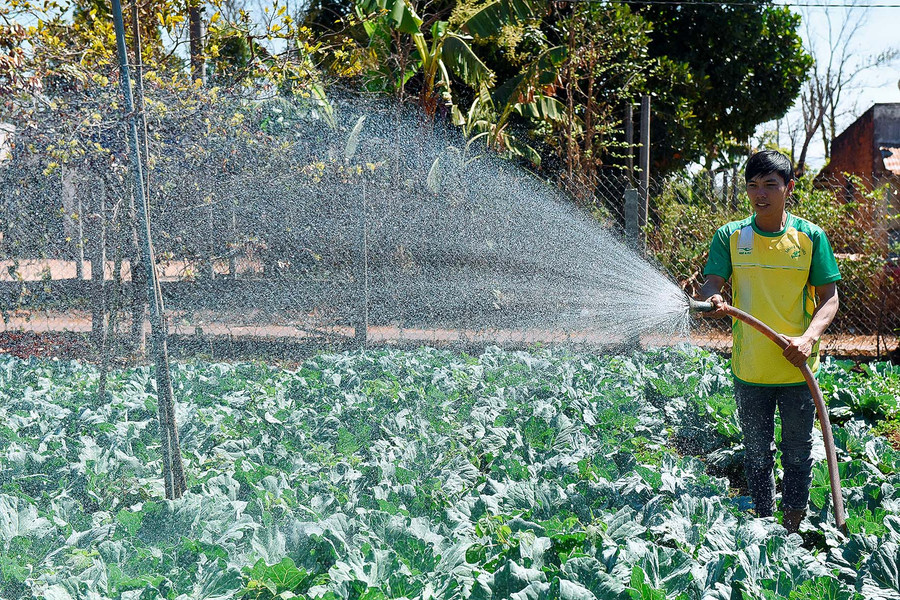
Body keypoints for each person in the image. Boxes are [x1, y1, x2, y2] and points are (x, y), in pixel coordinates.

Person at [697, 150, 840, 534]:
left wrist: (808, 339)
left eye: (770, 185)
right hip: (751, 369)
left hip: (798, 369)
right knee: (757, 455)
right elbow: (713, 282)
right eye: (753, 186)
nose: (760, 194)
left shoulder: (810, 237)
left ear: (788, 188)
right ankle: (763, 525)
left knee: (797, 454)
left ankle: (792, 526)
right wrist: (711, 295)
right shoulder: (731, 236)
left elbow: (830, 298)